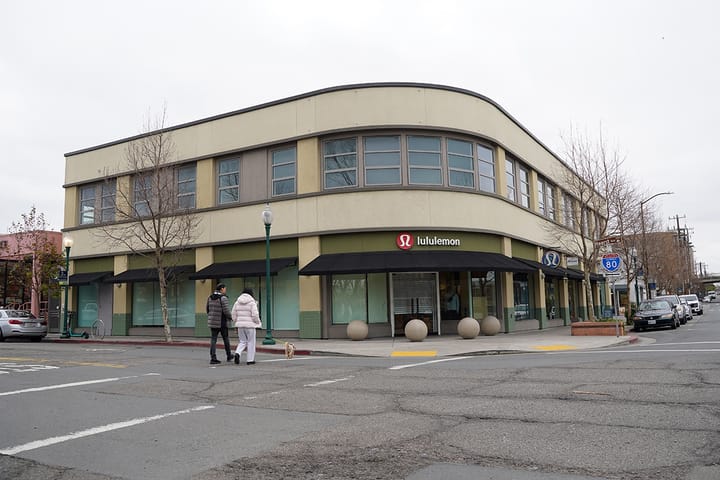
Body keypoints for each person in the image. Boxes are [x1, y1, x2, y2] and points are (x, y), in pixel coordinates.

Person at [231, 287, 262, 365]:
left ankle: (237, 353)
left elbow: (233, 314)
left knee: (242, 341)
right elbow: (255, 314)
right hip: (250, 325)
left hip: (240, 325)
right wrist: (257, 322)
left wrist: (236, 322)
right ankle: (250, 360)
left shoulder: (237, 302)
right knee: (251, 342)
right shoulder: (252, 302)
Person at [206, 283, 233, 365]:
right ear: (221, 289)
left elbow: (207, 309)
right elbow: (226, 311)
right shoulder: (223, 298)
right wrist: (231, 317)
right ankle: (229, 355)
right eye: (225, 288)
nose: (225, 290)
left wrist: (211, 316)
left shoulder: (210, 297)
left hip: (213, 322)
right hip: (222, 322)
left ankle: (213, 357)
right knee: (226, 339)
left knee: (213, 339)